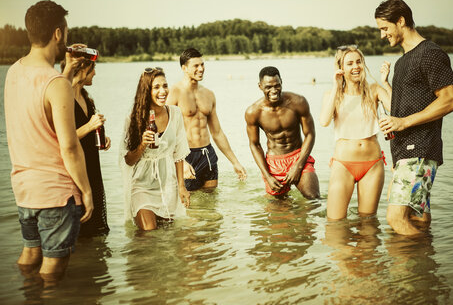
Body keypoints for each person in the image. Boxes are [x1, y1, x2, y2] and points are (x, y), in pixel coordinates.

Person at [4, 0, 93, 279]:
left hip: (23, 188)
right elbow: (68, 146)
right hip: (55, 192)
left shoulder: (13, 72)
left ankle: (25, 294)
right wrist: (87, 191)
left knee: (30, 255)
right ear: (58, 33)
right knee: (53, 270)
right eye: (65, 33)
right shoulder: (55, 83)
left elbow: (41, 109)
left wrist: (66, 71)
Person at [374, 0, 453, 235]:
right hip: (406, 153)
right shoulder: (402, 62)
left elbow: (450, 100)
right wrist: (394, 121)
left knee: (396, 219)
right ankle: (424, 267)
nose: (382, 35)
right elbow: (404, 108)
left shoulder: (430, 54)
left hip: (419, 151)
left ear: (401, 21)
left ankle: (413, 271)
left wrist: (403, 122)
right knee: (417, 219)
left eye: (385, 28)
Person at [320, 45, 392, 220]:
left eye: (359, 62)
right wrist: (336, 86)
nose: (356, 67)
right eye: (350, 63)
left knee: (368, 224)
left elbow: (397, 110)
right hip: (343, 165)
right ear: (341, 68)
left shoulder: (374, 90)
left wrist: (385, 83)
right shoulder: (332, 94)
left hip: (372, 165)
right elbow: (324, 121)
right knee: (335, 223)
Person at [121, 67, 190, 231]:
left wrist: (181, 186)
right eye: (156, 87)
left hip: (168, 185)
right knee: (148, 233)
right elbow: (128, 160)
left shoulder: (175, 114)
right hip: (142, 185)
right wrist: (142, 145)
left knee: (165, 238)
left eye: (165, 86)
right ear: (146, 91)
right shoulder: (134, 117)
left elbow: (178, 154)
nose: (163, 91)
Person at [167, 48, 247, 191]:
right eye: (196, 66)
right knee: (190, 204)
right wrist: (181, 161)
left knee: (210, 203)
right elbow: (166, 132)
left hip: (207, 155)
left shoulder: (208, 94)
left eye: (202, 65)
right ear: (184, 68)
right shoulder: (174, 92)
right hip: (186, 155)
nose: (201, 69)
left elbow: (217, 133)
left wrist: (235, 162)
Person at [245, 66, 320, 199]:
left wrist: (298, 166)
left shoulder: (298, 102)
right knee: (280, 213)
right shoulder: (254, 112)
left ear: (281, 83)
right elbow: (254, 144)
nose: (274, 91)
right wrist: (267, 176)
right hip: (274, 163)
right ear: (260, 86)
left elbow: (310, 134)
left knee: (313, 199)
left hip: (299, 156)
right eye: (268, 87)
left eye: (277, 86)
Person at [60, 58, 110, 237]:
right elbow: (62, 139)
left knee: (96, 230)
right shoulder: (63, 100)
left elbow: (86, 130)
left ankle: (93, 262)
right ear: (82, 70)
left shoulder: (86, 98)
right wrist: (90, 126)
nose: (95, 73)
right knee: (80, 227)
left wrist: (103, 138)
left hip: (92, 167)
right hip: (75, 170)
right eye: (92, 69)